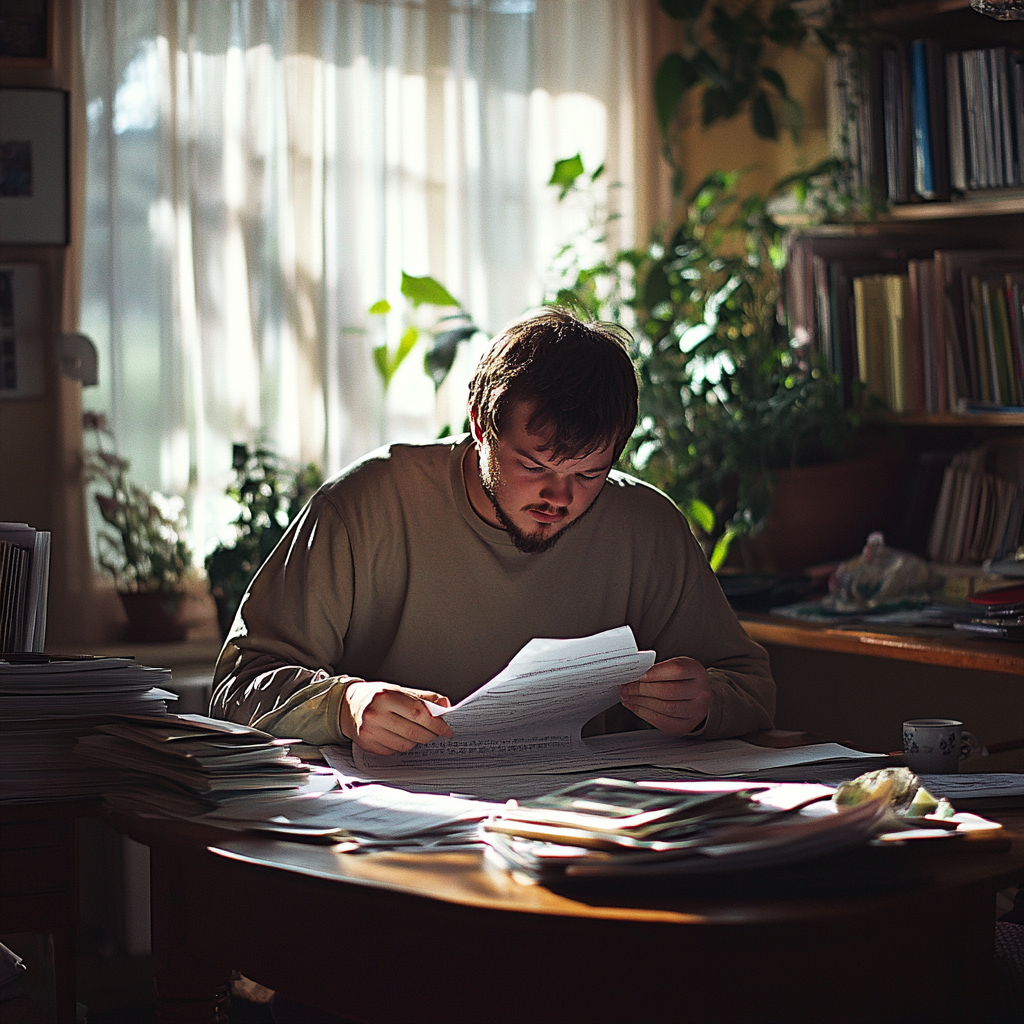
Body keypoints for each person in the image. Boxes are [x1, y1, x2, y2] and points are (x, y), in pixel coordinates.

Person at [210, 306, 774, 751]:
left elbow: (751, 685)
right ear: (480, 425)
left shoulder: (646, 528)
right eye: (534, 466)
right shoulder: (365, 506)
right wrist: (345, 705)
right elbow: (235, 689)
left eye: (589, 473)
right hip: (398, 835)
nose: (560, 497)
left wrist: (704, 702)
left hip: (586, 830)